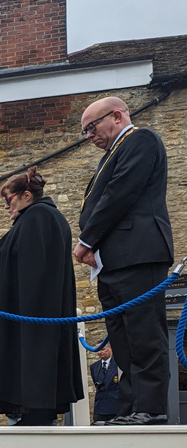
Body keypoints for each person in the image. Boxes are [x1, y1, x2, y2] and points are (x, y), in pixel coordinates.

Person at [74, 96, 174, 426]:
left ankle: (152, 408)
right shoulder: (112, 154)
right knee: (122, 340)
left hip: (139, 254)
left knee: (144, 335)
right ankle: (130, 407)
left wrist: (87, 241)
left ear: (116, 116)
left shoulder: (140, 139)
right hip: (114, 261)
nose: (88, 135)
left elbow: (120, 193)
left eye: (91, 127)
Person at [0, 167, 83, 426]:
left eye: (8, 200)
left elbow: (26, 262)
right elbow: (15, 253)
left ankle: (37, 412)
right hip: (40, 307)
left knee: (35, 355)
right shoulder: (41, 218)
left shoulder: (38, 217)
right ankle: (35, 412)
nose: (7, 207)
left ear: (26, 195)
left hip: (36, 309)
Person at [90, 342, 121, 424]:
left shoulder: (119, 364)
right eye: (97, 350)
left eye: (103, 349)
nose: (100, 352)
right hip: (100, 406)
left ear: (110, 348)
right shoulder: (94, 367)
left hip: (115, 406)